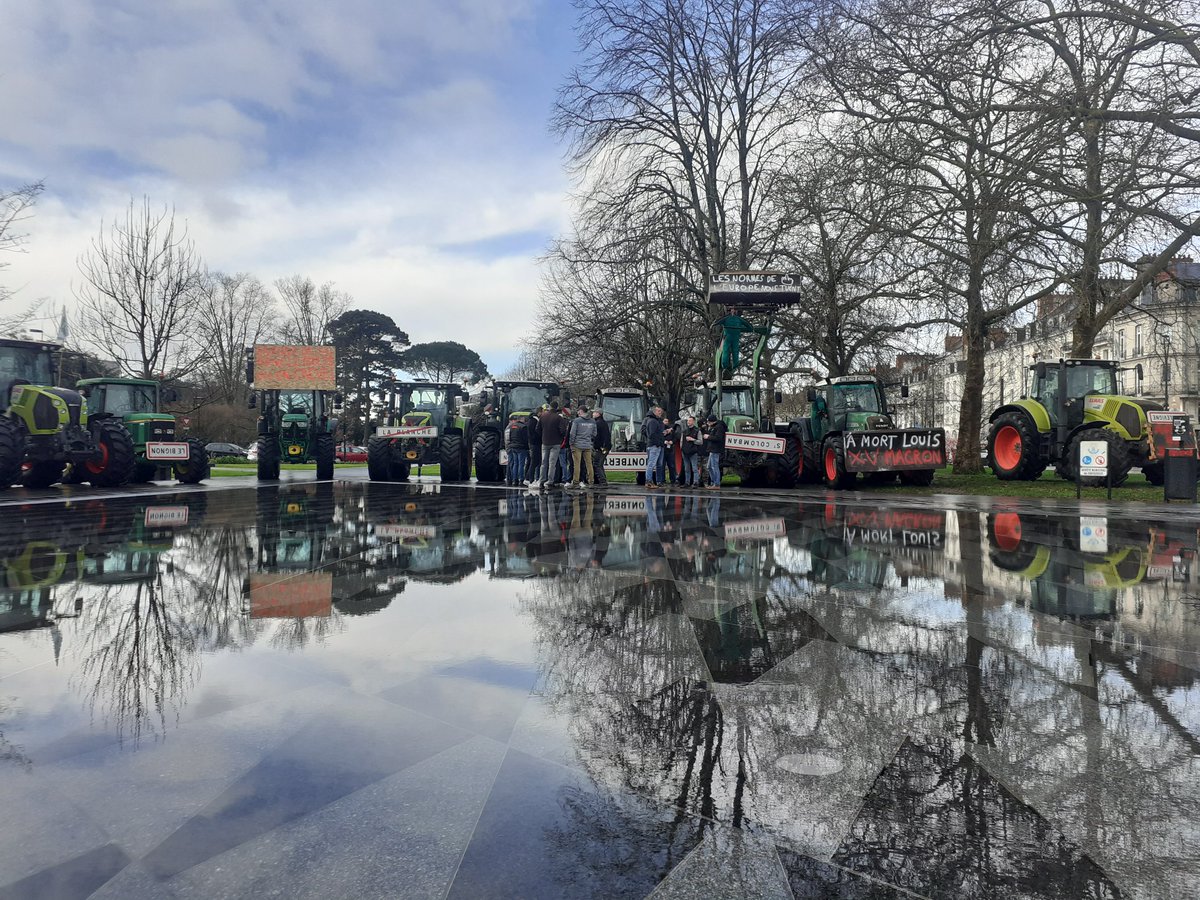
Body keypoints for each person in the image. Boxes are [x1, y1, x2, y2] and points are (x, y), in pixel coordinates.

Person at [536, 402, 564, 489]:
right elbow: (563, 431)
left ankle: (541, 481)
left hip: (545, 442)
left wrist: (543, 435)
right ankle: (550, 481)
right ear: (556, 407)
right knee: (552, 463)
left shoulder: (543, 416)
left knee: (544, 463)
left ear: (550, 407)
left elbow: (537, 429)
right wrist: (560, 438)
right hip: (555, 443)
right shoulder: (558, 418)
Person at [568, 407, 597, 490]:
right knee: (589, 464)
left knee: (577, 464)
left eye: (578, 411)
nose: (577, 412)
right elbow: (594, 434)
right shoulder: (592, 421)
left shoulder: (576, 421)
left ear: (581, 411)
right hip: (588, 445)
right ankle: (591, 482)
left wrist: (571, 443)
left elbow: (572, 433)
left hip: (577, 445)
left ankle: (575, 482)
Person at [642, 405, 665, 489]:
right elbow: (651, 434)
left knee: (655, 464)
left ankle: (656, 481)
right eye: (658, 411)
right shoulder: (653, 421)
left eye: (661, 411)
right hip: (654, 445)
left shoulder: (655, 421)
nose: (660, 413)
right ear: (654, 411)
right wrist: (658, 441)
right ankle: (648, 481)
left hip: (656, 445)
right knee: (651, 464)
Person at [702, 412, 726, 489]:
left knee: (714, 466)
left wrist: (708, 437)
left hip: (716, 449)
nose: (708, 423)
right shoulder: (714, 427)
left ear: (712, 421)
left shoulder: (719, 427)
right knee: (709, 466)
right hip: (712, 449)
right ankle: (713, 482)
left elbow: (718, 438)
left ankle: (717, 483)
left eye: (709, 422)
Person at [504, 412, 528, 486]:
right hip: (521, 447)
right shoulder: (523, 427)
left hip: (512, 447)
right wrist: (527, 447)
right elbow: (525, 438)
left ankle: (514, 480)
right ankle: (521, 480)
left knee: (515, 464)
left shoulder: (511, 427)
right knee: (521, 464)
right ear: (522, 419)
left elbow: (509, 437)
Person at [680, 415, 702, 486]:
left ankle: (695, 482)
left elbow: (700, 442)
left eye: (690, 421)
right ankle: (687, 482)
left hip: (693, 452)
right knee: (686, 468)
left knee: (694, 468)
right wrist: (681, 449)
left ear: (693, 421)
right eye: (688, 421)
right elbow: (681, 441)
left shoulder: (697, 431)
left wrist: (693, 440)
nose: (688, 422)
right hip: (685, 452)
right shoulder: (684, 431)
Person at [592, 407, 611, 486]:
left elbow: (596, 437)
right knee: (600, 464)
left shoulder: (598, 423)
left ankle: (602, 481)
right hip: (605, 447)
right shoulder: (604, 423)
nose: (593, 414)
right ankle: (602, 480)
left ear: (598, 414)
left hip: (601, 447)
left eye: (594, 412)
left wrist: (596, 446)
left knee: (597, 464)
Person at [556, 406, 573, 485]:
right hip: (565, 444)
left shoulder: (558, 421)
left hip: (559, 444)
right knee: (565, 463)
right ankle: (565, 478)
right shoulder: (567, 421)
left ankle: (562, 478)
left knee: (560, 463)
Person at [525, 407, 542, 484]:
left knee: (533, 461)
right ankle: (529, 478)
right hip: (535, 443)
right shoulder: (534, 421)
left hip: (533, 443)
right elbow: (534, 433)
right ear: (539, 412)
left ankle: (529, 478)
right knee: (534, 461)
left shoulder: (531, 420)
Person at [661, 416, 678, 485]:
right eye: (665, 421)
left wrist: (672, 441)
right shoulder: (660, 429)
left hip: (670, 449)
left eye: (667, 421)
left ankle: (673, 480)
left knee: (671, 465)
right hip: (663, 449)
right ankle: (662, 480)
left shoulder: (671, 430)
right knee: (662, 465)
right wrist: (664, 441)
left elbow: (675, 438)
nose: (666, 423)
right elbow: (659, 437)